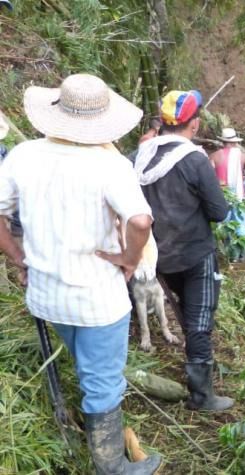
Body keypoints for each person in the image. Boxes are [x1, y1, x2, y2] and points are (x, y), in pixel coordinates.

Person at [0, 74, 161, 473]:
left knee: (88, 364)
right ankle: (112, 466)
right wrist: (129, 258)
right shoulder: (110, 164)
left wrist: (17, 255)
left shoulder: (23, 155)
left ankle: (98, 428)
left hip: (46, 295)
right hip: (97, 299)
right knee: (103, 380)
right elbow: (140, 221)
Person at [135, 89, 234, 412]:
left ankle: (197, 369)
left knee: (187, 315)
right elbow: (219, 212)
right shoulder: (194, 160)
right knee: (200, 318)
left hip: (156, 257)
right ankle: (202, 396)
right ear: (194, 124)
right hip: (195, 254)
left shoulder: (137, 157)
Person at [209, 128, 245, 261]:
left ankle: (229, 256)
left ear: (222, 141)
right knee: (240, 224)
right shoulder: (242, 156)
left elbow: (209, 177)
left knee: (224, 225)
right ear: (234, 142)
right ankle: (242, 255)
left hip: (221, 195)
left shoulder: (214, 156)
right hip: (238, 196)